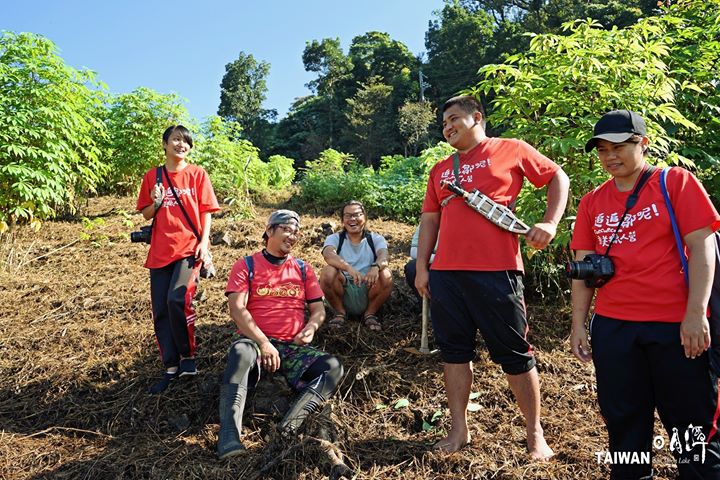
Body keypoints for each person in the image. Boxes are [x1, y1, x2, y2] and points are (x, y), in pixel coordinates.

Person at [415, 95, 568, 458]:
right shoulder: (440, 170)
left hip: (498, 271)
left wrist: (550, 222)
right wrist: (423, 268)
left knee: (514, 353)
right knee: (454, 353)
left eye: (454, 119)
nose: (447, 127)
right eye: (443, 123)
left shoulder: (511, 149)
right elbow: (430, 221)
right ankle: (458, 431)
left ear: (477, 118)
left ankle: (534, 434)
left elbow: (556, 176)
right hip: (447, 276)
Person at [570, 109, 720, 478]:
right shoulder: (592, 201)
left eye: (620, 146)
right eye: (602, 149)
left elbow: (703, 248)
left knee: (691, 426)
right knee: (624, 424)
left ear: (643, 143)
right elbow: (582, 267)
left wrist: (695, 313)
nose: (610, 156)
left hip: (675, 327)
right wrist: (578, 324)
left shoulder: (675, 183)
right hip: (615, 328)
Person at [217, 210, 344, 459]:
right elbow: (237, 308)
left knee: (333, 366)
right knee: (240, 351)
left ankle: (287, 429)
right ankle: (229, 436)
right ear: (269, 230)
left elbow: (318, 310)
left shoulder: (302, 269)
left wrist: (311, 328)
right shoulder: (247, 265)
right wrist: (263, 342)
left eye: (296, 232)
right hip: (255, 343)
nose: (292, 236)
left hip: (291, 348)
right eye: (287, 229)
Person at [136, 125, 219, 394]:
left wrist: (204, 244)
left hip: (188, 248)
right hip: (160, 251)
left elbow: (206, 211)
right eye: (176, 140)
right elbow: (147, 215)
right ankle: (170, 367)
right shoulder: (153, 176)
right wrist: (156, 202)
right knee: (160, 309)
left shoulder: (197, 174)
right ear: (164, 144)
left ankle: (188, 358)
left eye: (186, 142)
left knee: (177, 299)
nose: (181, 145)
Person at [319, 200, 392, 331]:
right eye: (348, 215)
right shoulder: (335, 238)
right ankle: (340, 312)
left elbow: (384, 255)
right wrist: (348, 268)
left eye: (357, 214)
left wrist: (376, 267)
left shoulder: (375, 239)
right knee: (328, 271)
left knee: (386, 274)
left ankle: (370, 314)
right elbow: (328, 255)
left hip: (369, 286)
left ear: (365, 217)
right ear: (342, 220)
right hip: (343, 287)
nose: (353, 219)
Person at [404, 225, 436, 302]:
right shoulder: (425, 225)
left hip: (454, 266)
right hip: (433, 262)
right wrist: (438, 259)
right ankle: (426, 305)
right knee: (412, 267)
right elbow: (414, 252)